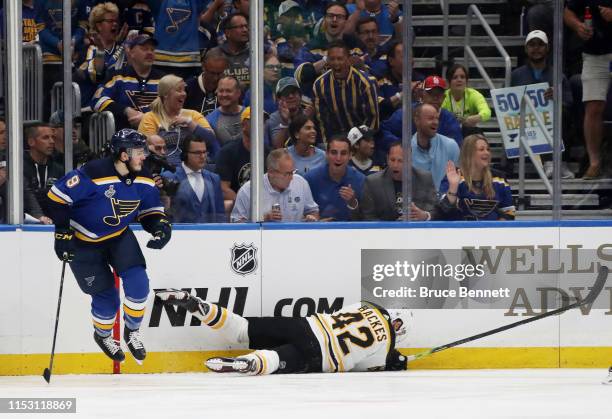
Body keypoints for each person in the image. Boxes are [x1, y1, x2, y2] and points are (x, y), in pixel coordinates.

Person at [46, 129, 172, 363]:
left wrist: (160, 226)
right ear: (123, 155)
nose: (144, 156)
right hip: (83, 242)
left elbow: (150, 211)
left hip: (118, 236)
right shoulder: (93, 173)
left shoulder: (143, 177)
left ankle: (132, 332)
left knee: (139, 284)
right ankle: (103, 335)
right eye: (138, 152)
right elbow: (56, 197)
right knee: (108, 300)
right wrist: (62, 232)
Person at [156, 289, 409, 375]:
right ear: (396, 327)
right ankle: (247, 363)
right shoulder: (387, 345)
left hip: (306, 325)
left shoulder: (366, 305)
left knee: (242, 329)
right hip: (320, 355)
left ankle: (197, 305)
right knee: (275, 359)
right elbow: (369, 367)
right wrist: (398, 361)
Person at [510, 30, 575, 179]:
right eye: (532, 45)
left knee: (562, 113)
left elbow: (569, 103)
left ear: (547, 48)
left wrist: (557, 98)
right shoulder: (516, 75)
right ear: (526, 49)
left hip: (552, 123)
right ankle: (549, 162)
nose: (536, 48)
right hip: (526, 126)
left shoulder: (558, 75)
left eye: (540, 45)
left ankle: (558, 161)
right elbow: (506, 106)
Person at [564, 1, 612, 179]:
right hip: (594, 55)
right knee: (592, 107)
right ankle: (594, 162)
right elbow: (568, 11)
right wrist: (578, 26)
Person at [138, 74, 218, 166]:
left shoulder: (193, 115)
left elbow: (211, 139)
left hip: (194, 167)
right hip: (164, 168)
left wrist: (189, 123)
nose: (184, 93)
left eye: (184, 90)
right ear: (166, 94)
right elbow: (144, 149)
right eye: (179, 90)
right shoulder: (150, 117)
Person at [91, 31, 163, 130]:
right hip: (123, 137)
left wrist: (148, 118)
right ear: (131, 52)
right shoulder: (118, 77)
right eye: (144, 49)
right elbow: (97, 101)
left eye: (152, 49)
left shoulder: (164, 80)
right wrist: (126, 110)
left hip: (158, 137)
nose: (150, 53)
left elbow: (174, 110)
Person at [313, 40, 379, 142]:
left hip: (363, 139)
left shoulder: (365, 83)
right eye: (332, 59)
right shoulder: (319, 85)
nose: (336, 63)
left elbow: (372, 120)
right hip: (337, 138)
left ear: (348, 60)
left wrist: (354, 142)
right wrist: (328, 145)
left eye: (340, 59)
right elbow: (322, 121)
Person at [440, 134, 515, 221]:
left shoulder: (499, 179)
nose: (486, 152)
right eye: (481, 149)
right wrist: (453, 187)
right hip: (461, 232)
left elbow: (509, 212)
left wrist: (495, 230)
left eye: (488, 149)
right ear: (469, 153)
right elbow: (443, 211)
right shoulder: (454, 176)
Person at [359, 142, 441, 221]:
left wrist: (424, 216)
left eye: (400, 161)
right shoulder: (373, 182)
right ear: (387, 159)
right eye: (392, 160)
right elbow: (368, 217)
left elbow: (435, 209)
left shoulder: (424, 179)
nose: (395, 165)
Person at [231, 149, 319, 222]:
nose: (291, 178)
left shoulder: (301, 183)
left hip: (294, 238)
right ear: (271, 172)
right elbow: (237, 224)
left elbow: (313, 211)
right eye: (287, 174)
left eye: (292, 172)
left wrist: (311, 219)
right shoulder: (249, 190)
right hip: (262, 240)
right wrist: (264, 219)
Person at [381, 75, 463, 153]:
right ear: (422, 94)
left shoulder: (449, 119)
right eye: (431, 93)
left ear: (444, 97)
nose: (435, 98)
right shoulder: (406, 113)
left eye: (439, 94)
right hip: (408, 162)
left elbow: (456, 144)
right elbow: (384, 131)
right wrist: (401, 146)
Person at [162, 136, 225, 223]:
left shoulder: (214, 179)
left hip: (209, 233)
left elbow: (220, 215)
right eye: (197, 153)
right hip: (179, 233)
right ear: (185, 154)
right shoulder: (168, 177)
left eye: (204, 152)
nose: (203, 156)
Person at [215, 107, 268, 209]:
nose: (261, 125)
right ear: (244, 125)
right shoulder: (228, 151)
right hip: (236, 206)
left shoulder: (268, 152)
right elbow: (223, 188)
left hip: (264, 205)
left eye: (263, 122)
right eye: (256, 121)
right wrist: (244, 204)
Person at [304, 136, 365, 221]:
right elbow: (301, 215)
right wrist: (317, 223)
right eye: (334, 152)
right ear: (326, 154)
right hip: (319, 232)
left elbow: (366, 220)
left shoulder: (361, 180)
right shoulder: (310, 179)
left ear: (350, 156)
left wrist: (353, 203)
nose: (338, 158)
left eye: (343, 153)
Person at [412, 103, 460, 191]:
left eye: (437, 118)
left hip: (443, 202)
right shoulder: (405, 149)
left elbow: (457, 180)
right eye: (430, 118)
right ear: (417, 120)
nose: (435, 122)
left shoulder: (451, 146)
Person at [23, 122, 63, 222]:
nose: (52, 141)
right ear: (31, 142)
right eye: (45, 138)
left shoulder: (59, 169)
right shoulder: (19, 167)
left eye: (52, 137)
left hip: (54, 223)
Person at [442, 64, 491, 137]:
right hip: (447, 133)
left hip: (467, 133)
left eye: (462, 77)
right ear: (448, 82)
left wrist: (477, 117)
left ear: (466, 81)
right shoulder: (444, 97)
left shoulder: (473, 94)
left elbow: (487, 112)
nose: (459, 80)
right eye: (455, 77)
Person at [266, 76, 316, 149]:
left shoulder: (309, 113)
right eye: (286, 93)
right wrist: (285, 122)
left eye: (294, 92)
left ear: (300, 96)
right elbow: (278, 147)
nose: (290, 96)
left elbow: (311, 143)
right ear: (278, 99)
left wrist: (307, 120)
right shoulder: (274, 118)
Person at [208, 12, 251, 86]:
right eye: (240, 27)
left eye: (246, 26)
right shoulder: (214, 54)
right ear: (228, 33)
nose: (245, 30)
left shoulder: (256, 52)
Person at [184, 49, 229, 116]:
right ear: (203, 67)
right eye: (212, 73)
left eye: (219, 73)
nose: (215, 78)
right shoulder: (187, 88)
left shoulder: (230, 89)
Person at [206, 76, 244, 146]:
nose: (224, 95)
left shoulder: (251, 115)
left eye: (228, 91)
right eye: (221, 91)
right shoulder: (209, 120)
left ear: (238, 93)